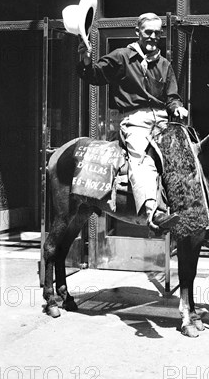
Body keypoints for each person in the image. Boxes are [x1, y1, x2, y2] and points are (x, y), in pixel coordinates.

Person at [77, 12, 188, 231]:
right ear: (137, 32)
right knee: (142, 158)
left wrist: (178, 107)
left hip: (163, 121)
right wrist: (86, 60)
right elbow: (95, 76)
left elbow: (172, 97)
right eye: (148, 32)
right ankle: (153, 213)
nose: (153, 36)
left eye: (158, 33)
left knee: (186, 155)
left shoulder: (164, 64)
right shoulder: (121, 57)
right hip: (135, 120)